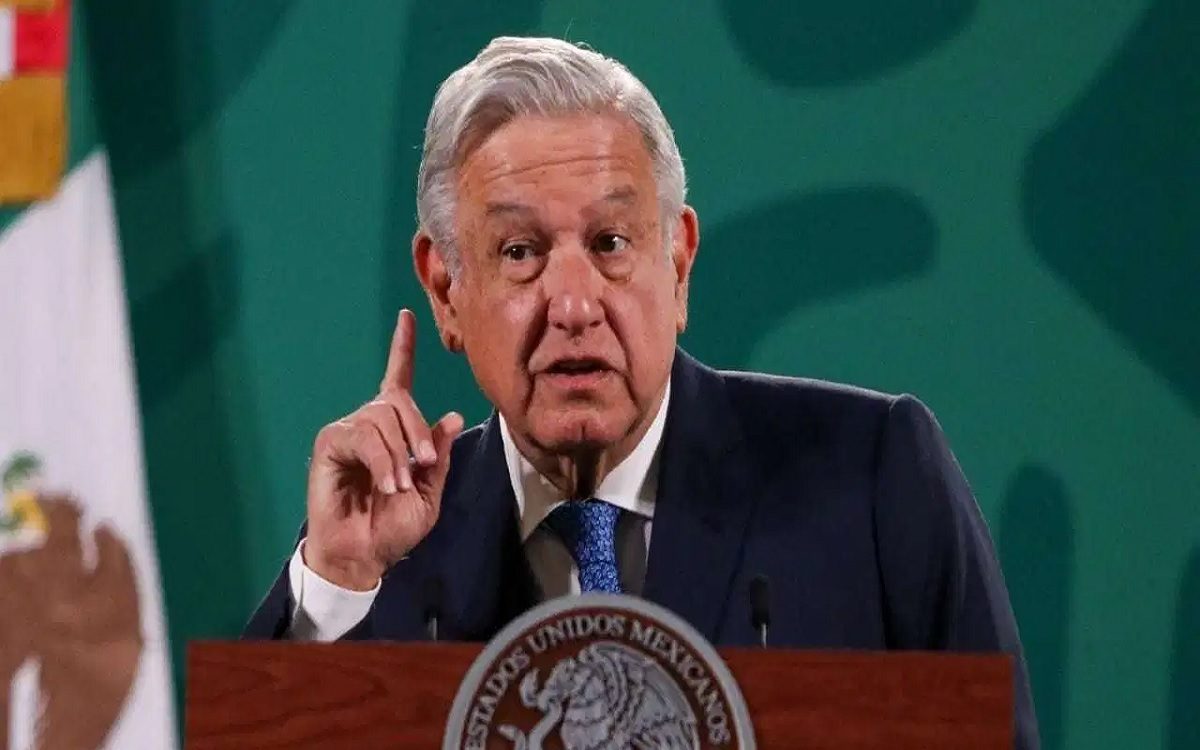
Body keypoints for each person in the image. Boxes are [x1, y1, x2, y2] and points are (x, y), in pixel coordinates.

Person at [244, 36, 1038, 747]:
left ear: (679, 264)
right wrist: (336, 582)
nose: (574, 304)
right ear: (447, 290)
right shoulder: (381, 551)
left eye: (610, 242)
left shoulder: (869, 479)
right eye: (519, 252)